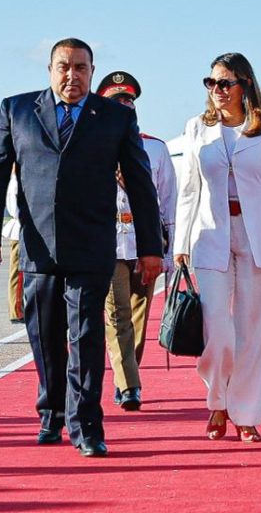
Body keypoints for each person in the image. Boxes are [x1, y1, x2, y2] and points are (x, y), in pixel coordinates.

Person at [0, 38, 162, 459]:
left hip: (93, 246)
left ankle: (87, 424)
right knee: (44, 336)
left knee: (87, 336)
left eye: (80, 68)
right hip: (39, 248)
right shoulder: (16, 111)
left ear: (92, 72)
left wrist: (151, 247)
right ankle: (51, 414)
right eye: (63, 67)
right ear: (50, 69)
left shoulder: (114, 117)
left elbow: (140, 183)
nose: (71, 76)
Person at [174, 52, 261, 444]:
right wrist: (180, 242)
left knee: (254, 329)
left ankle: (245, 411)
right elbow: (189, 189)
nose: (217, 91)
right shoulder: (197, 128)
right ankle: (217, 400)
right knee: (219, 331)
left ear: (244, 85)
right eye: (211, 83)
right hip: (209, 236)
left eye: (225, 83)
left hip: (258, 234)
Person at [96, 71, 177, 412]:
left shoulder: (155, 149)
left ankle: (128, 374)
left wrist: (169, 252)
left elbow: (169, 201)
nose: (125, 106)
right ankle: (128, 385)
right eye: (118, 102)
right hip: (110, 244)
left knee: (140, 316)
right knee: (118, 315)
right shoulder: (92, 146)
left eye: (129, 101)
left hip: (146, 245)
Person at [2, 166, 24, 324]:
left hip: (24, 228)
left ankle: (19, 307)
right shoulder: (16, 182)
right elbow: (15, 208)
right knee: (17, 273)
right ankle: (16, 310)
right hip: (20, 229)